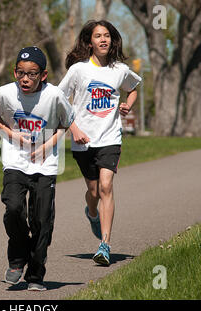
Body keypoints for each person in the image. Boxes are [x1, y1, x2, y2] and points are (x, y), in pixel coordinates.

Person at [0, 46, 75, 291]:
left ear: (43, 75)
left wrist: (47, 146)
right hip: (15, 160)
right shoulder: (4, 93)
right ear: (15, 72)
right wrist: (11, 133)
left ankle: (35, 275)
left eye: (32, 74)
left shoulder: (54, 95)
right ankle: (17, 259)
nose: (25, 79)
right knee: (14, 207)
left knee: (42, 220)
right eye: (21, 73)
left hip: (45, 165)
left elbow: (65, 123)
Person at [59, 20, 142, 266]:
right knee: (93, 192)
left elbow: (134, 86)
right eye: (98, 36)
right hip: (83, 140)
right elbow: (59, 98)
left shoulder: (120, 69)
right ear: (90, 42)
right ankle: (92, 213)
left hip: (110, 137)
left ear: (112, 40)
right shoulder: (78, 70)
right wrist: (73, 128)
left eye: (107, 35)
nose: (103, 40)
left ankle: (104, 245)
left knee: (106, 187)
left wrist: (129, 103)